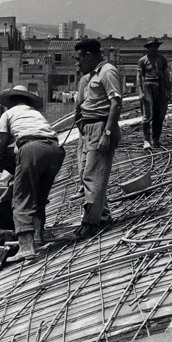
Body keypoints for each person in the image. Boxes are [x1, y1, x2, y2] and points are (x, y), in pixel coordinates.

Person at [0, 84, 65, 261]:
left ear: (12, 101)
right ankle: (38, 237)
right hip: (55, 150)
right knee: (38, 197)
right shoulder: (35, 114)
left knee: (21, 197)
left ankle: (26, 247)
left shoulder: (8, 114)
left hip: (32, 149)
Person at [64, 38, 122, 241]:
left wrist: (107, 133)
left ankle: (90, 223)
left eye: (79, 59)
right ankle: (103, 215)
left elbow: (115, 104)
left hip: (101, 127)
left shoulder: (107, 72)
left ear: (89, 55)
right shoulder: (89, 77)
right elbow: (82, 103)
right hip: (88, 129)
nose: (77, 63)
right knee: (84, 173)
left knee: (93, 177)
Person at [137, 37, 170, 148]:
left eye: (156, 46)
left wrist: (168, 90)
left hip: (160, 85)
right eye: (152, 46)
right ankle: (146, 140)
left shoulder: (162, 59)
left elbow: (166, 75)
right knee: (148, 114)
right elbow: (140, 76)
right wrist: (140, 91)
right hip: (148, 85)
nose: (154, 48)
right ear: (148, 48)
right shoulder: (143, 60)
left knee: (160, 114)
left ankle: (156, 139)